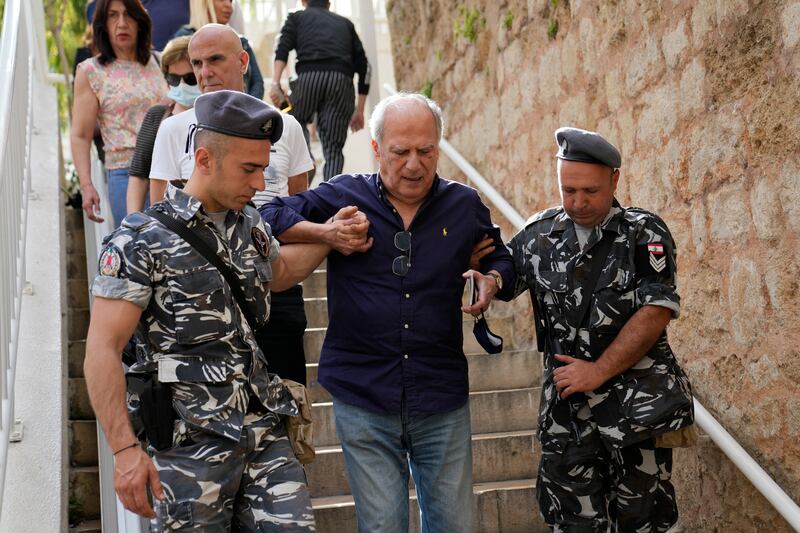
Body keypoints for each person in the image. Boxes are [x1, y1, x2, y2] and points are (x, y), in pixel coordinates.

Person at [83, 90, 363, 529]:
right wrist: (123, 451)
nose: (259, 183)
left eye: (264, 168)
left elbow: (281, 271)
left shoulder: (249, 222)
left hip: (263, 428)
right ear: (205, 159)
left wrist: (332, 236)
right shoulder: (140, 239)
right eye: (248, 169)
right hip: (187, 445)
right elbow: (102, 349)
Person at [260, 92, 514, 532]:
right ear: (377, 149)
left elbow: (502, 258)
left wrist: (491, 280)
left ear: (438, 146)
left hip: (441, 394)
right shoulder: (345, 195)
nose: (414, 164)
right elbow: (267, 214)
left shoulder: (464, 203)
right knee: (382, 527)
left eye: (426, 151)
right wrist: (328, 233)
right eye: (400, 152)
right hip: (363, 393)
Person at [504, 127, 694, 532]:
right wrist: (483, 281)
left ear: (614, 179)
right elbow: (501, 275)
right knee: (573, 522)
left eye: (589, 190)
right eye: (568, 190)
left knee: (644, 521)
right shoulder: (538, 235)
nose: (577, 202)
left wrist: (597, 372)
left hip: (635, 410)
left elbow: (655, 311)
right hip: (567, 416)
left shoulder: (644, 233)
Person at [149, 24, 315, 385]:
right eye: (197, 63)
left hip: (275, 285)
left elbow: (295, 209)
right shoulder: (174, 130)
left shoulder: (286, 127)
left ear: (243, 61)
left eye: (215, 60)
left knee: (287, 405)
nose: (204, 72)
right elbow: (159, 217)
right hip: (201, 294)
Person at [71, 0, 167, 227]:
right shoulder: (91, 71)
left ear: (140, 22)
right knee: (135, 254)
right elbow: (80, 135)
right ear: (103, 24)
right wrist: (86, 186)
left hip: (167, 172)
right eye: (113, 16)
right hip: (124, 174)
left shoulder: (161, 61)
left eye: (128, 15)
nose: (121, 23)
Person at [270, 0, 371, 182]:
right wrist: (360, 110)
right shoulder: (346, 24)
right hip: (341, 82)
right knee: (333, 149)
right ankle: (330, 199)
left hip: (308, 77)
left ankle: (305, 160)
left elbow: (282, 49)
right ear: (329, 4)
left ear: (303, 1)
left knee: (293, 118)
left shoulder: (296, 17)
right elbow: (365, 67)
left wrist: (275, 83)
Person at [126, 35, 199, 213]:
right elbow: (139, 175)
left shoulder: (217, 116)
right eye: (174, 79)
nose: (181, 85)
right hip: (166, 217)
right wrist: (133, 223)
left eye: (190, 79)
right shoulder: (157, 116)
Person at [174, 0, 264, 99]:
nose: (228, 5)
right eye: (197, 63)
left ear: (243, 61)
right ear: (204, 3)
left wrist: (250, 108)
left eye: (231, 1)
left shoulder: (242, 42)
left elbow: (257, 82)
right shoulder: (184, 39)